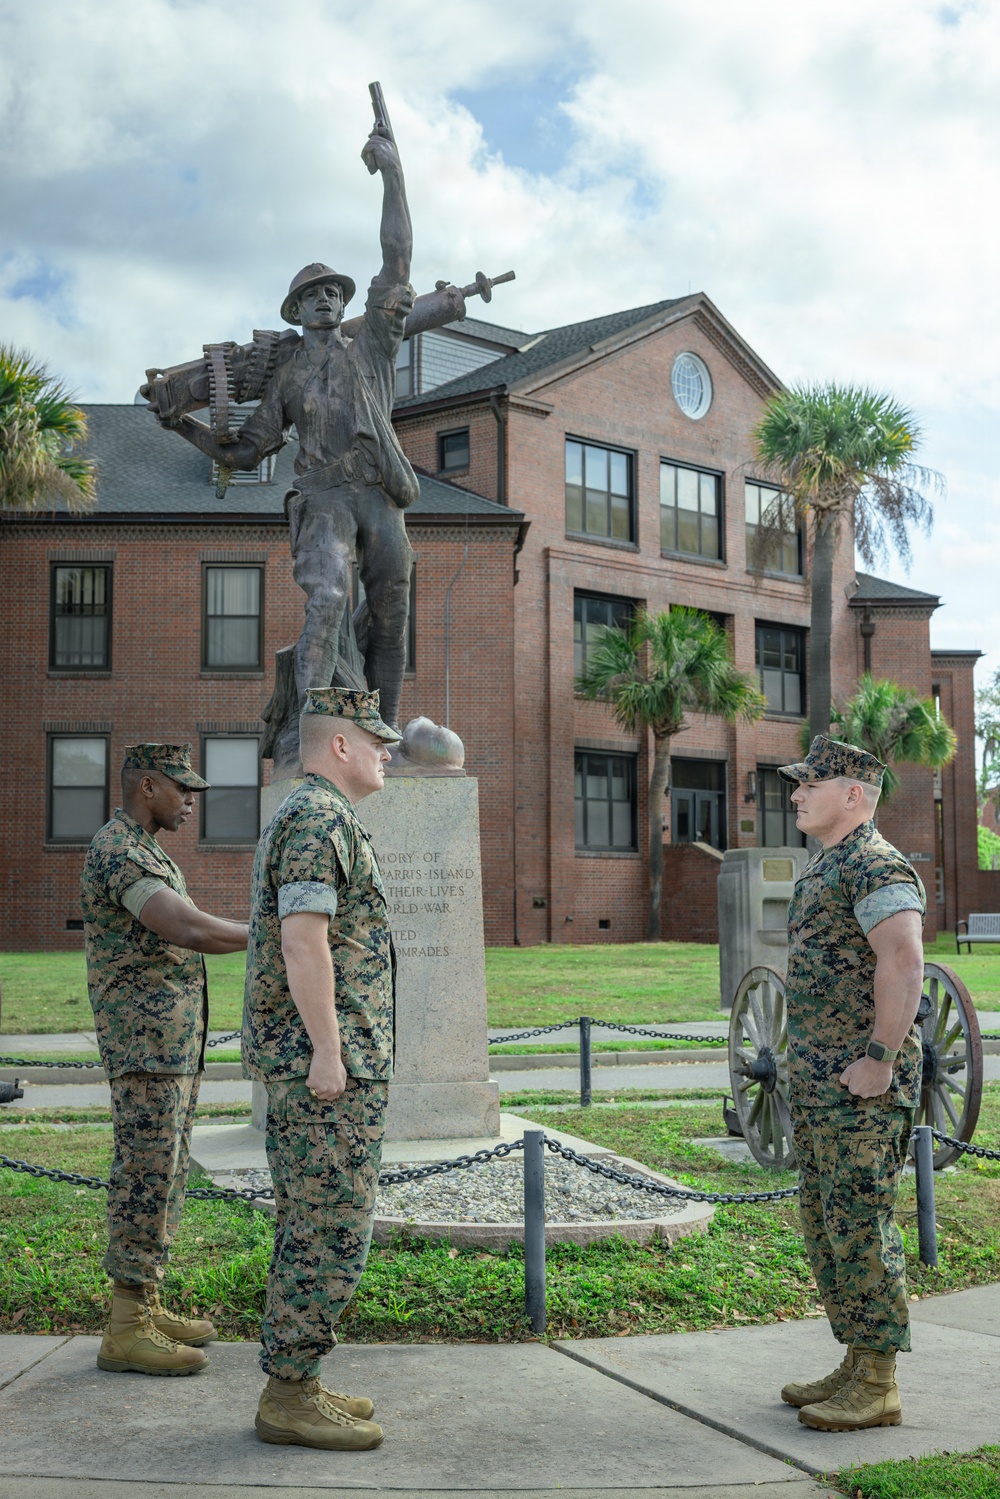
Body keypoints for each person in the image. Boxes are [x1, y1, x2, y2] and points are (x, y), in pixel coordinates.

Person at [161, 124, 417, 765]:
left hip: (378, 491)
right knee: (330, 596)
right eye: (314, 295)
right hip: (323, 495)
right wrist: (185, 429)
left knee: (392, 603)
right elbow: (247, 452)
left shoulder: (374, 349)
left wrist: (393, 174)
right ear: (296, 311)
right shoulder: (287, 376)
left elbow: (396, 257)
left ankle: (379, 735)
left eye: (334, 292)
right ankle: (309, 728)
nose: (327, 299)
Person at [243, 686, 400, 1451]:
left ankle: (297, 1377)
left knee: (314, 1221)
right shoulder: (317, 818)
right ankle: (288, 1394)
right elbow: (304, 941)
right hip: (326, 1071)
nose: (387, 751)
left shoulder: (321, 816)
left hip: (329, 1064)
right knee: (329, 1227)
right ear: (340, 745)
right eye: (377, 740)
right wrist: (330, 1051)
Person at [81, 744, 249, 1376]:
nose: (191, 801)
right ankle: (125, 1327)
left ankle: (144, 1302)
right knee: (145, 1174)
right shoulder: (118, 850)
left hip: (170, 1045)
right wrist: (279, 933)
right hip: (145, 1047)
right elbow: (185, 928)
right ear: (147, 786)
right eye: (183, 789)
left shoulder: (145, 849)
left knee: (168, 1170)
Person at [776, 735, 926, 1432]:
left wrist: (880, 1057)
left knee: (860, 1220)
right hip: (821, 1079)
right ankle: (857, 1355)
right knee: (825, 1221)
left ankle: (879, 1381)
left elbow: (902, 961)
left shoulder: (874, 862)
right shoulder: (826, 866)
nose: (797, 793)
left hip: (860, 1079)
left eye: (811, 783)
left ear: (854, 794)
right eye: (798, 783)